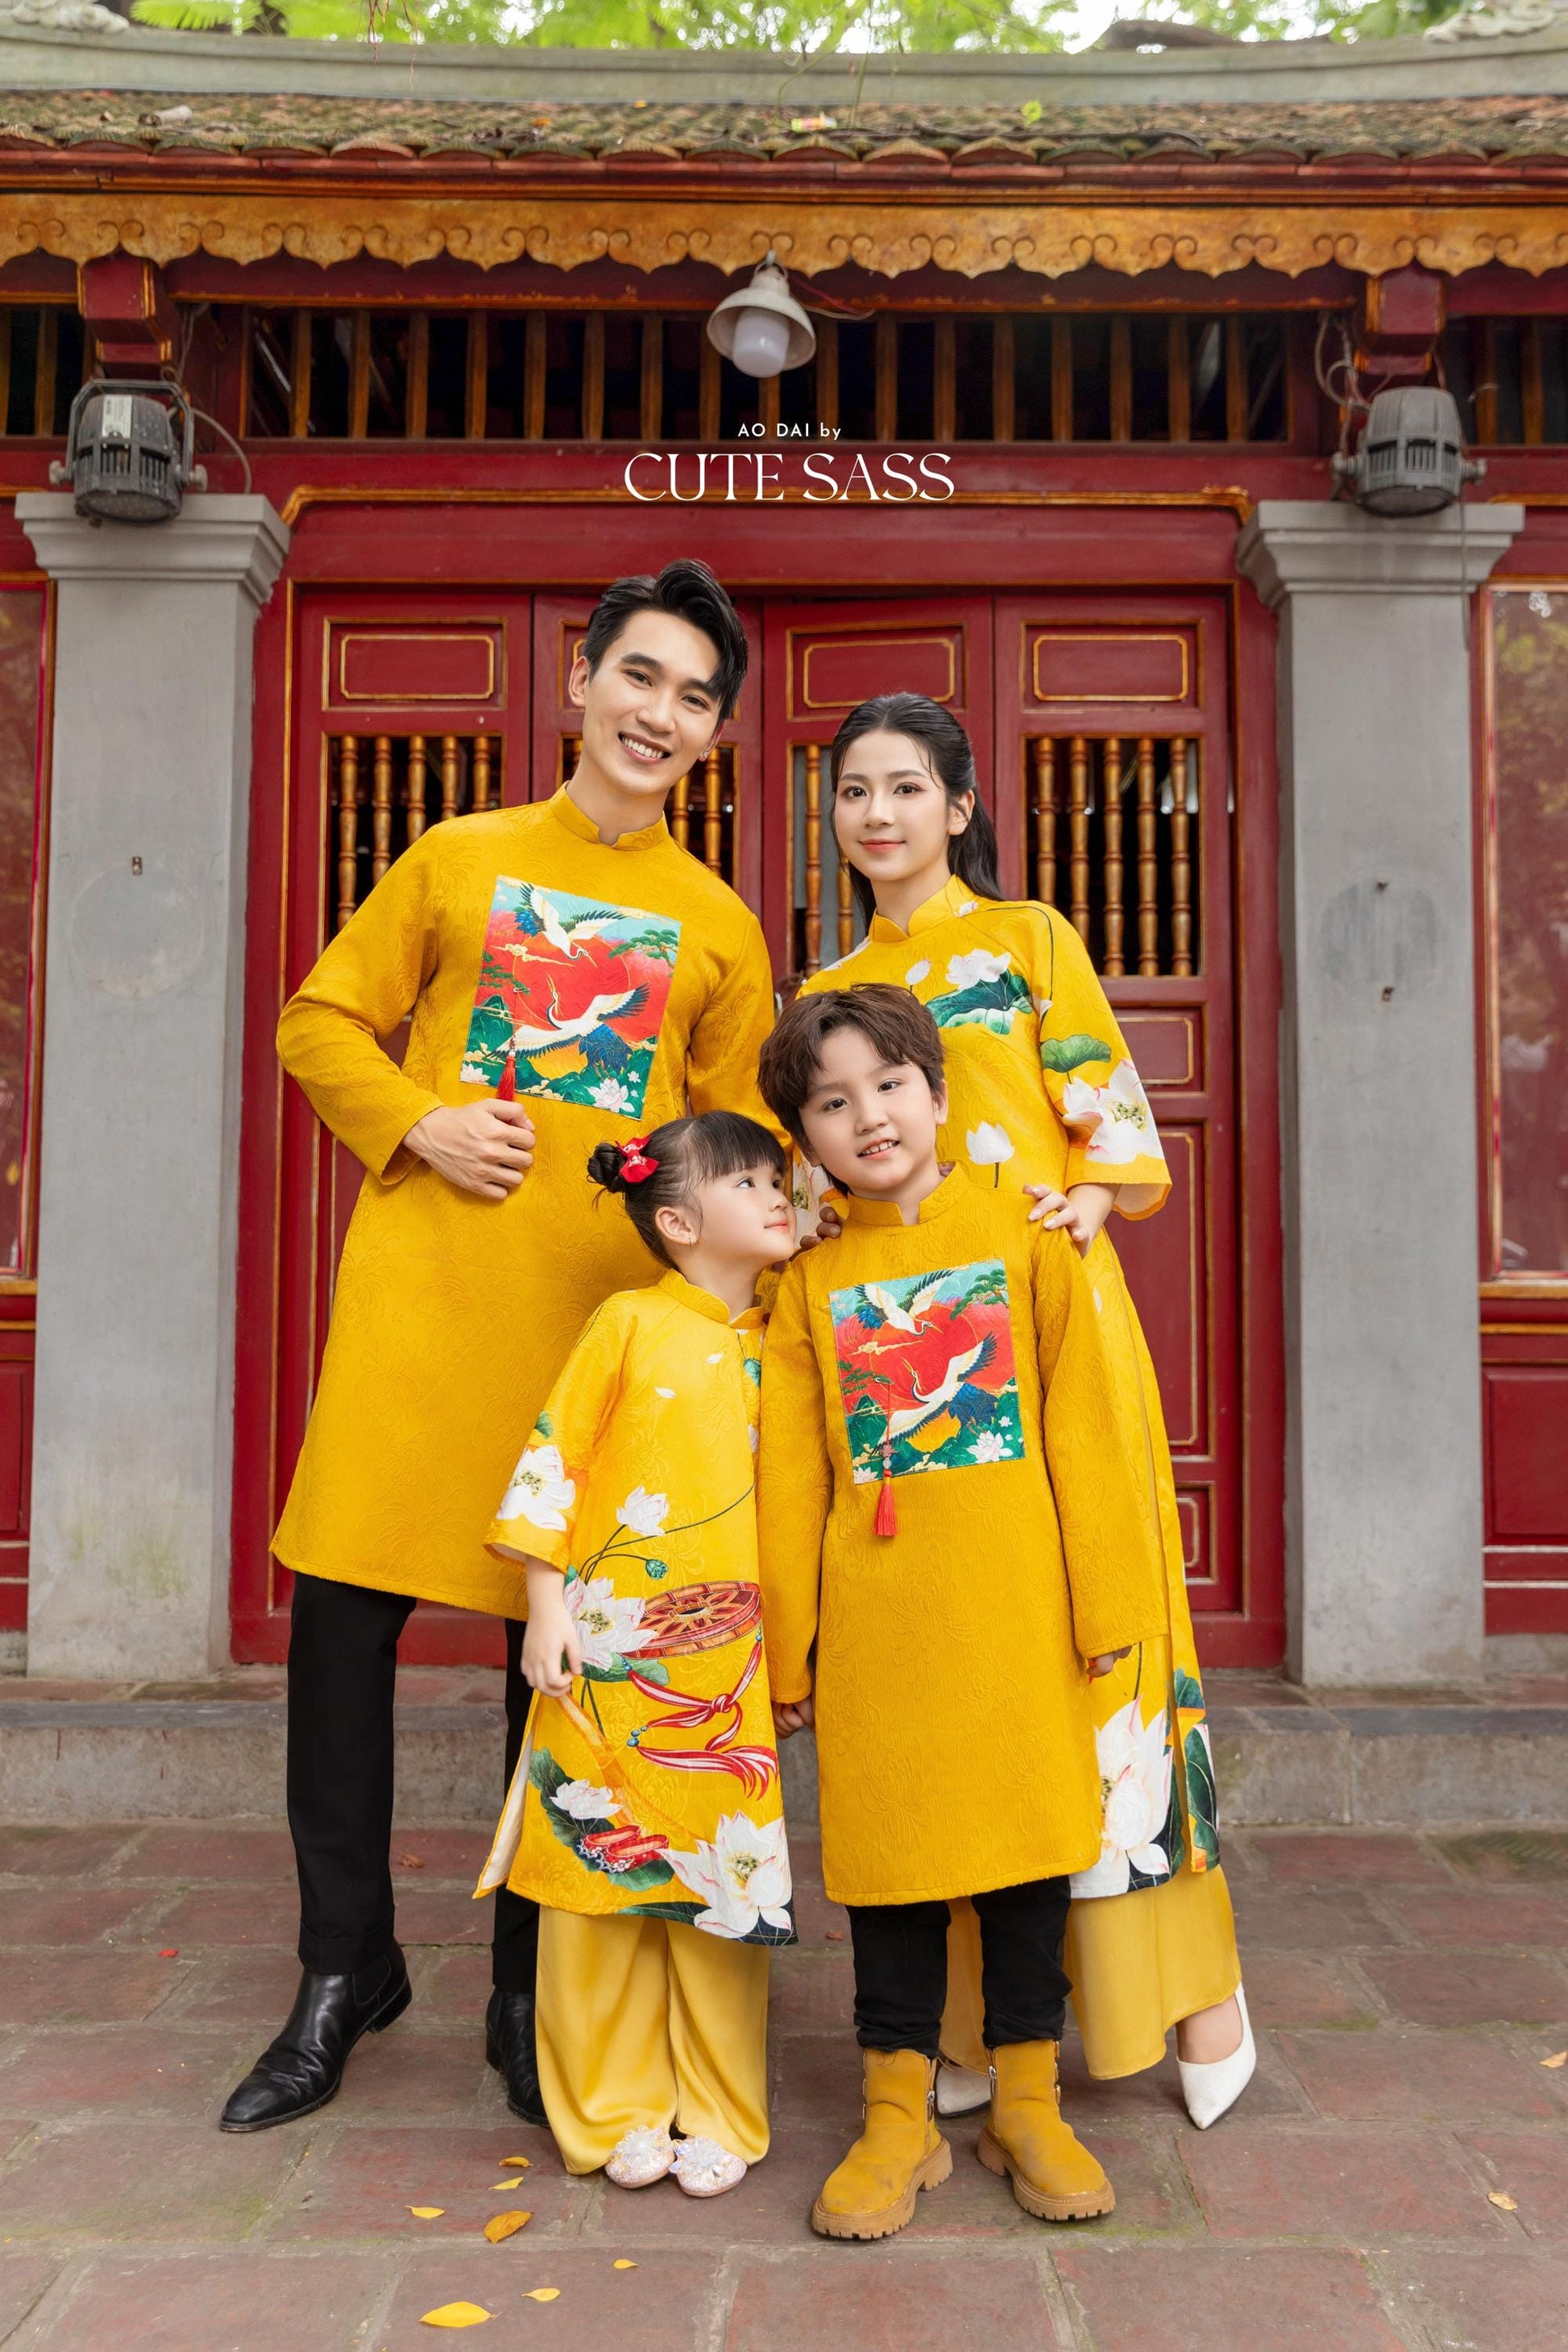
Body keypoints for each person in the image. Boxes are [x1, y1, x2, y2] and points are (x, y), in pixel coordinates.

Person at [222, 562, 781, 2135]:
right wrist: (421, 1118)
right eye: (640, 678)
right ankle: (345, 1964)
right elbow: (322, 1020)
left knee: (559, 1669)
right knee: (341, 1628)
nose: (659, 714)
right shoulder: (455, 859)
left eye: (692, 698)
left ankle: (529, 1976)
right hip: (421, 1305)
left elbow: (730, 1151)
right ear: (579, 681)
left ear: (713, 735)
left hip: (591, 1337)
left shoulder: (719, 926)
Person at [802, 692, 1253, 2132]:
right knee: (945, 1687)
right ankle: (964, 2031)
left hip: (1053, 1319)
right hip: (902, 1348)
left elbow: (1110, 1121)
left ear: (956, 805)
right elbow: (817, 1180)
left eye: (906, 788)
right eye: (854, 790)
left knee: (1103, 1664)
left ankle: (1192, 1992)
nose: (878, 814)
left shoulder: (1030, 939)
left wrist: (1093, 1199)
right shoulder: (824, 992)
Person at [755, 985, 1166, 2240]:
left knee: (1031, 1859)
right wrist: (788, 1641)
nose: (867, 1117)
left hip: (1017, 1603)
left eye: (887, 1085)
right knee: (887, 1869)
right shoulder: (809, 1278)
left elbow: (1087, 1430)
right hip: (877, 1616)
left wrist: (1107, 1600)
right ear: (804, 1140)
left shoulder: (1030, 1232)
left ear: (937, 1094)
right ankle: (895, 2113)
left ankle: (1028, 2102)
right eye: (831, 1102)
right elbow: (788, 1469)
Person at [475, 1110, 796, 2195]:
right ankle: (610, 2106)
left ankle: (716, 2104)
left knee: (720, 1878)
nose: (775, 1195)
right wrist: (543, 1601)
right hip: (610, 1647)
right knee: (595, 1874)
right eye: (747, 1183)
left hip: (729, 1663)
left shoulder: (795, 1331)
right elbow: (552, 1455)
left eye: (776, 1179)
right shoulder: (625, 1321)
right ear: (674, 1219)